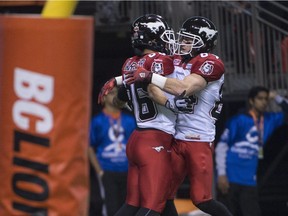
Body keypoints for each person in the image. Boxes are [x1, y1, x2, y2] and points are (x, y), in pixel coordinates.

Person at [125, 16, 233, 216]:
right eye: (182, 38)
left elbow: (183, 88)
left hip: (199, 138)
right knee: (163, 197)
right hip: (175, 138)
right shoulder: (175, 60)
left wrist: (151, 77)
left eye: (188, 40)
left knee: (202, 200)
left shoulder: (211, 62)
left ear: (204, 43)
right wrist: (117, 81)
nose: (182, 43)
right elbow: (147, 75)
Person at [105, 14, 193, 216]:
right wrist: (175, 104)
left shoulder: (129, 63)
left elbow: (121, 99)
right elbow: (156, 89)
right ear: (152, 38)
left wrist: (117, 82)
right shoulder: (162, 60)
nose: (168, 40)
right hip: (156, 139)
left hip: (137, 138)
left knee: (133, 205)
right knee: (153, 208)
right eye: (163, 35)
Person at [215, 86, 288, 216]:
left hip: (249, 179)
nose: (264, 102)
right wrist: (221, 174)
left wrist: (276, 97)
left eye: (266, 99)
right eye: (260, 99)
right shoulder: (238, 120)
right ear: (251, 101)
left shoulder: (269, 120)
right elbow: (222, 146)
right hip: (230, 176)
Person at [89, 86, 136, 216]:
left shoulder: (129, 120)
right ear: (103, 97)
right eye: (111, 93)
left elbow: (136, 146)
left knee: (129, 206)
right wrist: (99, 171)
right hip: (107, 171)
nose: (114, 96)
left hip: (127, 171)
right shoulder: (97, 121)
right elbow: (89, 147)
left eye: (116, 93)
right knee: (110, 208)